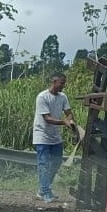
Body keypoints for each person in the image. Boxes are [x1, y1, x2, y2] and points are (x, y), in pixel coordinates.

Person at [32, 72, 75, 204]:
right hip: (42, 135)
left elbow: (68, 112)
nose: (63, 86)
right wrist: (64, 122)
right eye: (61, 83)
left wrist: (70, 120)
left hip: (55, 137)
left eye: (64, 83)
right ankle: (46, 192)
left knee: (56, 163)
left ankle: (42, 190)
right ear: (54, 82)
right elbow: (47, 118)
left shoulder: (62, 97)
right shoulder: (42, 97)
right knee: (44, 164)